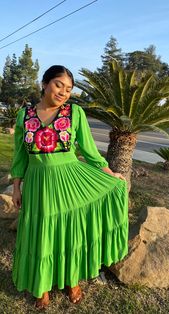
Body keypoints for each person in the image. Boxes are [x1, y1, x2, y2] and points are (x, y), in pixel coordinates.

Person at [11, 65, 129, 310]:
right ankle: (41, 285)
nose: (63, 92)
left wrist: (110, 173)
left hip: (70, 182)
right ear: (44, 84)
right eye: (58, 85)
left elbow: (89, 150)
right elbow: (20, 157)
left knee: (69, 231)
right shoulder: (25, 116)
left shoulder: (74, 113)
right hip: (38, 184)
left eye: (68, 89)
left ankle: (71, 280)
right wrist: (16, 188)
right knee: (41, 232)